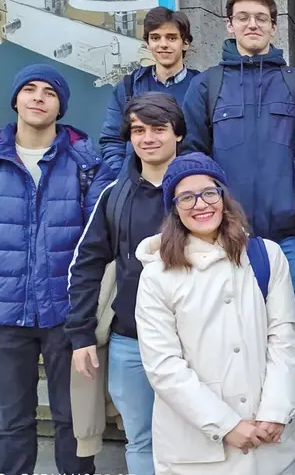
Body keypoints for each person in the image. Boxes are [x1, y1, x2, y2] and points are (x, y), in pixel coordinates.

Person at [0, 64, 113, 475]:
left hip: (67, 317)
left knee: (73, 420)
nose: (38, 97)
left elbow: (98, 247)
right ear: (16, 100)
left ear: (61, 106)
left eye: (49, 92)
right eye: (29, 89)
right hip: (3, 317)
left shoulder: (85, 165)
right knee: (11, 422)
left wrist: (88, 312)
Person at [134, 154, 295, 475]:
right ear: (173, 208)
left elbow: (284, 337)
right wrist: (226, 424)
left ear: (224, 196)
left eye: (209, 192)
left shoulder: (266, 255)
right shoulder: (157, 275)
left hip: (270, 441)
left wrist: (274, 410)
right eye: (186, 197)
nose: (200, 204)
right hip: (196, 451)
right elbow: (164, 366)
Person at [181, 0, 295, 386]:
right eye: (243, 17)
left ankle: (294, 427)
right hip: (227, 236)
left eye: (261, 18)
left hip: (290, 236)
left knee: (289, 331)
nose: (252, 24)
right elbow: (193, 155)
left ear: (274, 27)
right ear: (230, 24)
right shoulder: (208, 85)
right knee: (230, 333)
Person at [67, 93, 186, 474]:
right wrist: (81, 335)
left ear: (178, 135)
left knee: (194, 438)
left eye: (158, 129)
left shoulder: (202, 194)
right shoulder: (113, 197)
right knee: (141, 438)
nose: (148, 138)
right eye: (138, 130)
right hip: (129, 342)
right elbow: (86, 266)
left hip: (192, 343)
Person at [100, 6, 199, 175]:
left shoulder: (202, 87)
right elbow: (112, 140)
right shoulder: (128, 87)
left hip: (186, 185)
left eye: (171, 38)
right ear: (147, 43)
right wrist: (122, 178)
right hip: (138, 188)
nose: (163, 44)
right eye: (155, 38)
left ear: (185, 43)